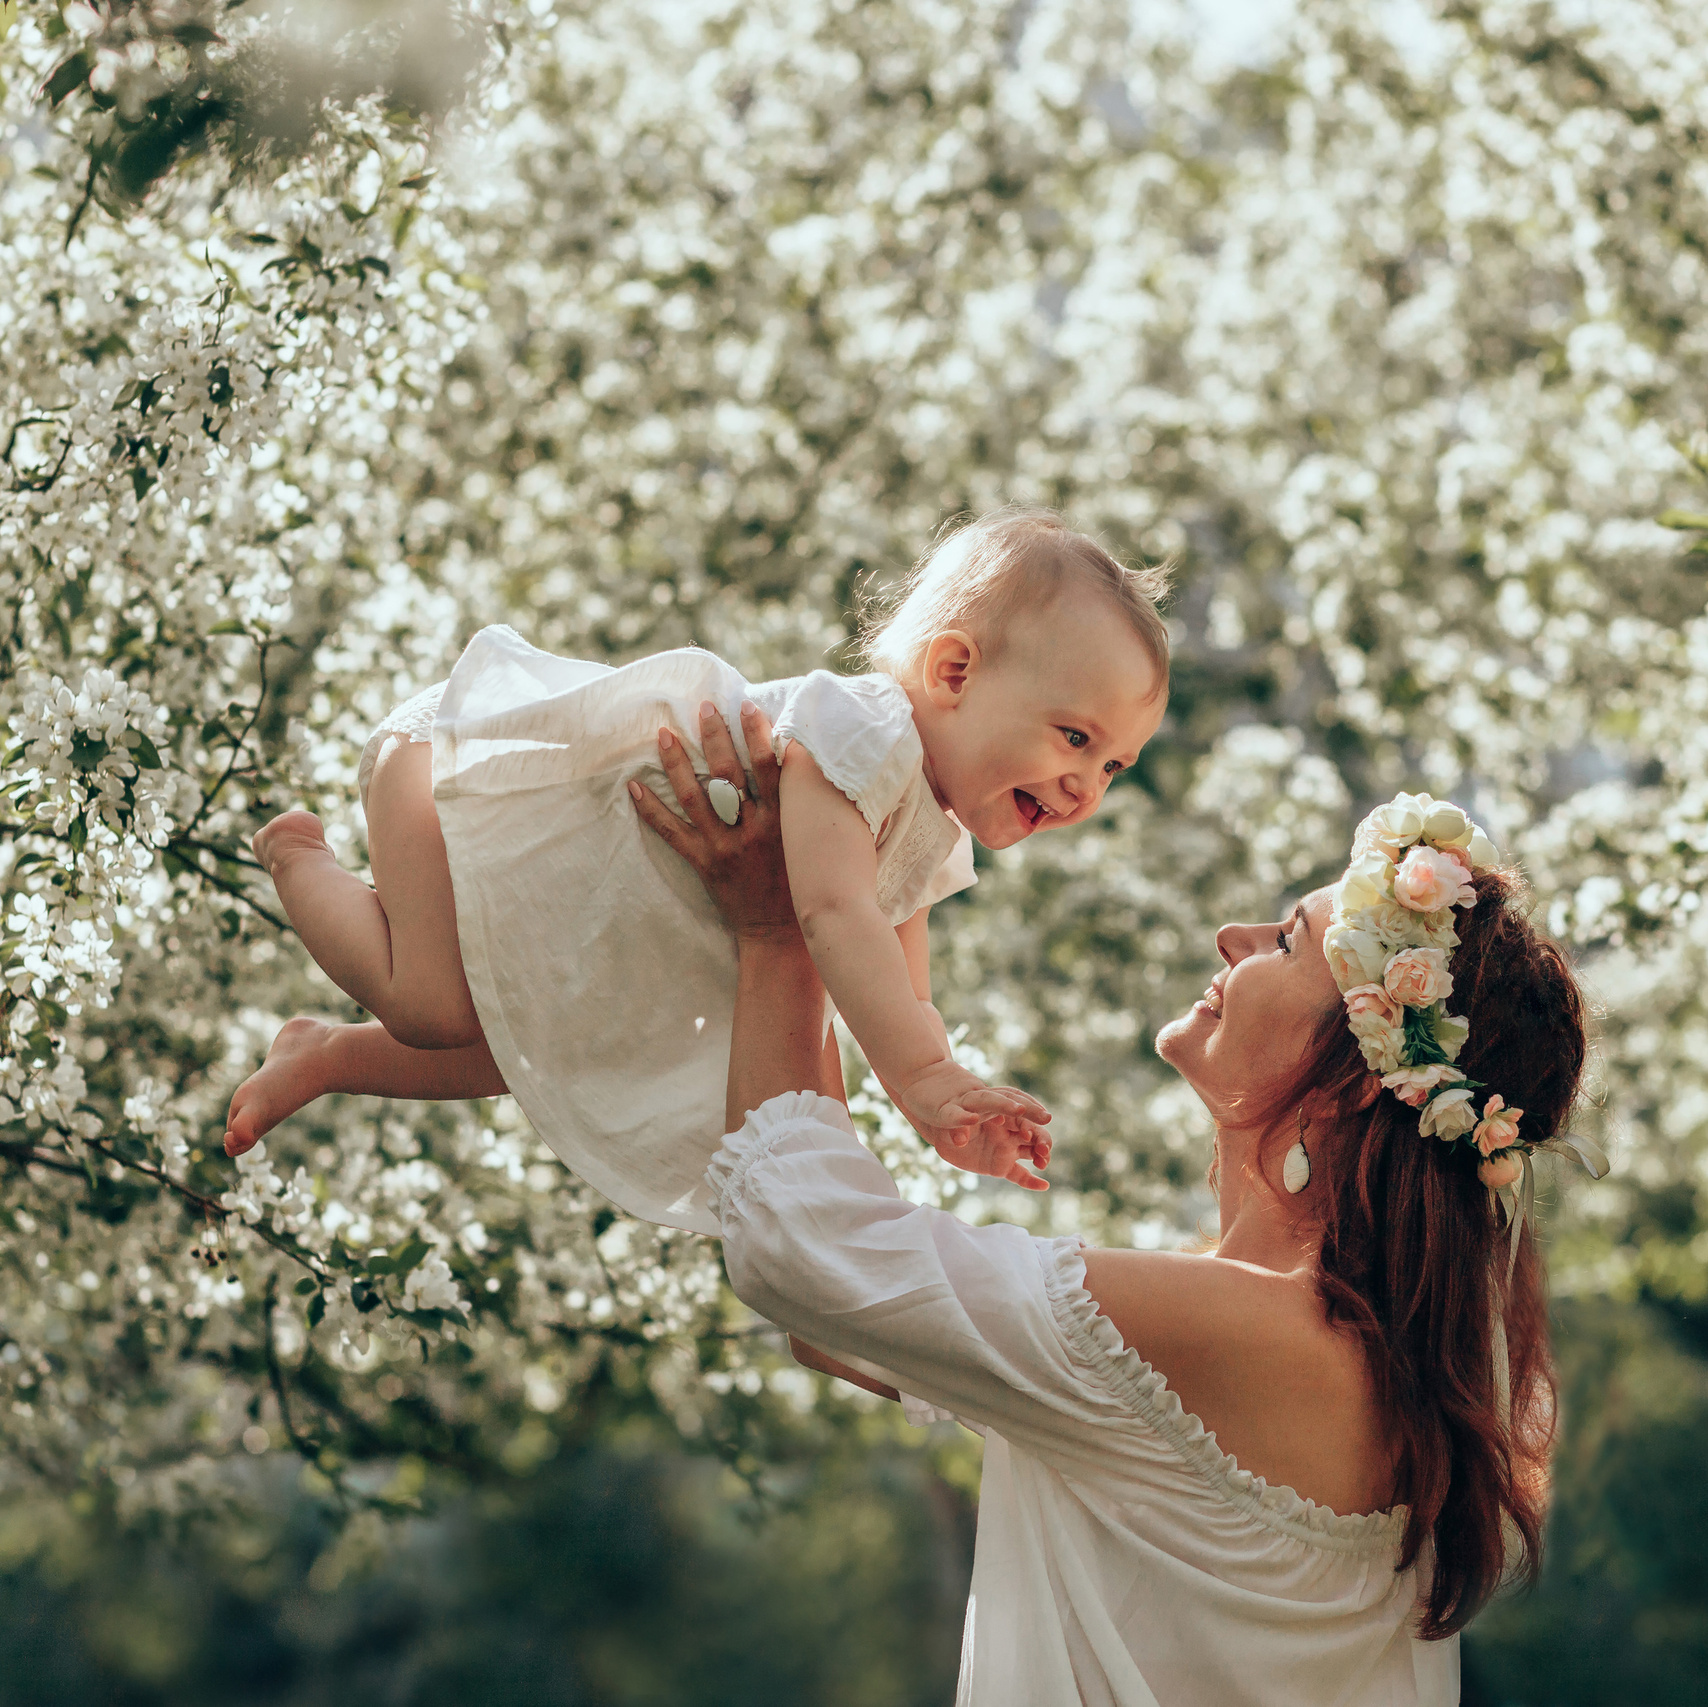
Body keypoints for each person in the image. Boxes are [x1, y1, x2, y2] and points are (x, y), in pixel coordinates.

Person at [638, 703, 1603, 1704]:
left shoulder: (1265, 1337)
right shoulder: (1374, 1356)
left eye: (1284, 939)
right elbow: (841, 1329)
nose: (1231, 935)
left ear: (1356, 1079)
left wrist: (778, 932)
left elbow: (803, 1257)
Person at [225, 509, 1167, 1233]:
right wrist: (923, 1081)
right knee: (433, 1005)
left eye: (1115, 765)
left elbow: (897, 993)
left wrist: (948, 1107)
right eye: (1074, 737)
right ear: (955, 672)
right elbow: (836, 917)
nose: (1087, 783)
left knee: (517, 1052)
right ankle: (300, 855)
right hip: (461, 768)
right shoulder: (864, 731)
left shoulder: (925, 824)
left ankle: (322, 1053)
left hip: (556, 888)